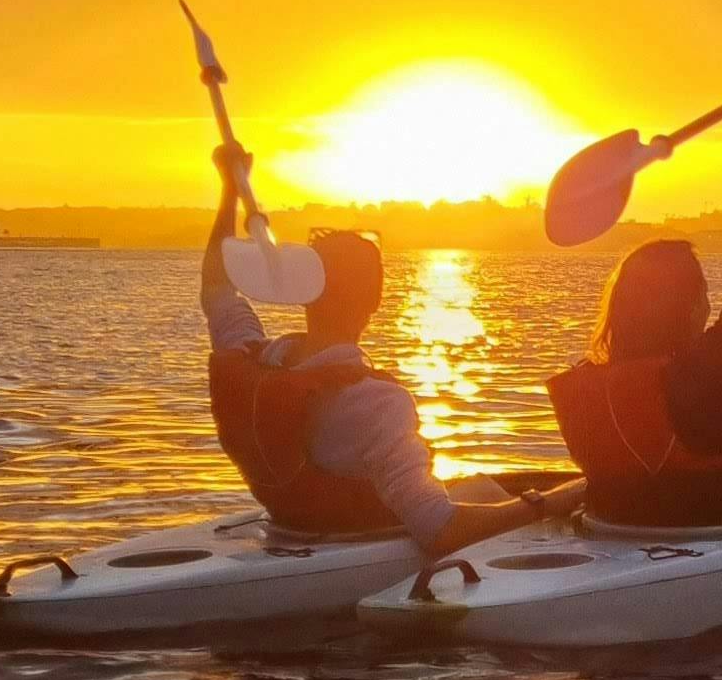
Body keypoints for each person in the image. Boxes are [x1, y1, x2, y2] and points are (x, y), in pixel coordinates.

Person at [200, 159, 542, 556]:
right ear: (377, 300)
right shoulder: (376, 403)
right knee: (518, 502)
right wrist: (550, 502)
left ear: (303, 291)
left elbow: (217, 289)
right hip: (354, 543)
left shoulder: (261, 362)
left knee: (481, 488)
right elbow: (438, 528)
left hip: (290, 525)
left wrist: (229, 191)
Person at [546, 84, 722, 524]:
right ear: (689, 308)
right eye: (705, 295)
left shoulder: (586, 391)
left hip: (622, 534)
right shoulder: (701, 377)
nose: (711, 307)